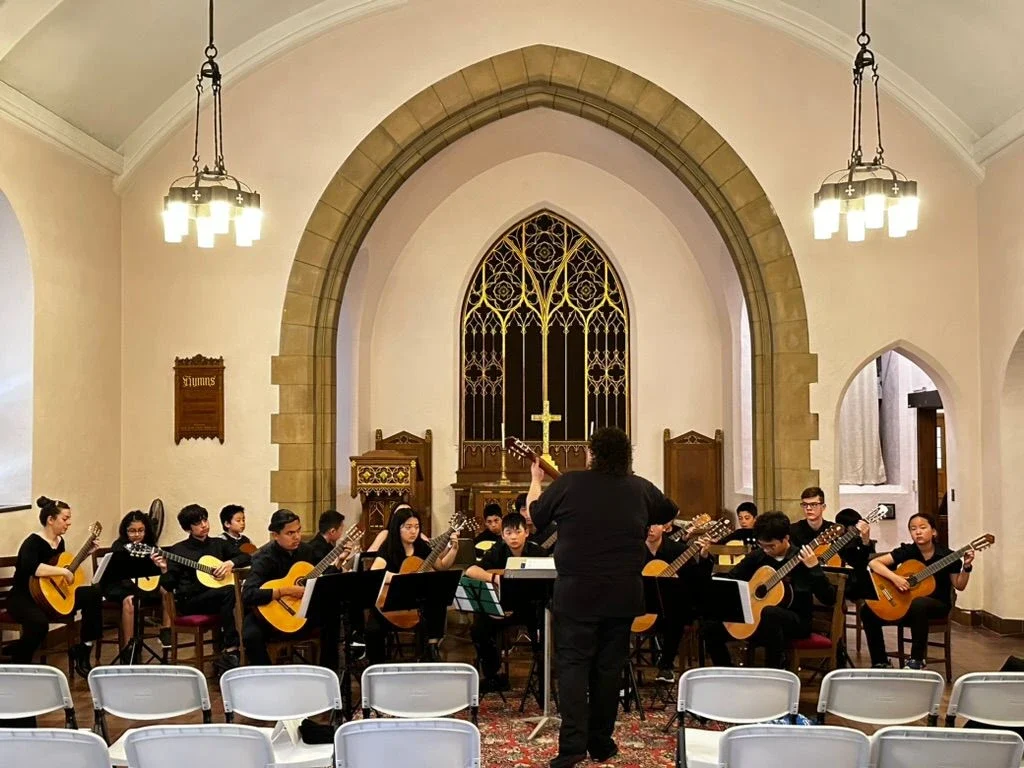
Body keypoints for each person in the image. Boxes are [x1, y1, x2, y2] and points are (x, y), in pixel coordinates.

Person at [527, 426, 677, 768]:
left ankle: (572, 749)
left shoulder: (569, 484)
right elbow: (667, 509)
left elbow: (536, 516)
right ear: (626, 457)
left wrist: (537, 479)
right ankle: (601, 743)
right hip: (622, 595)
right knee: (610, 670)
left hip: (577, 593)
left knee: (574, 668)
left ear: (592, 454)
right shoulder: (639, 488)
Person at [703, 511, 836, 670]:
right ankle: (726, 670)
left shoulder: (802, 559)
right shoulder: (758, 556)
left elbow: (829, 598)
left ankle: (774, 673)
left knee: (769, 613)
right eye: (762, 545)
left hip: (795, 621)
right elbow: (732, 579)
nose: (766, 550)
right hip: (757, 619)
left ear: (786, 538)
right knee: (711, 624)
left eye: (771, 546)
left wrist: (814, 568)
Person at [860, 511, 972, 669]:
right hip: (906, 606)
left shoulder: (948, 556)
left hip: (936, 606)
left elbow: (959, 585)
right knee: (867, 611)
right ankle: (880, 661)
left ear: (933, 531)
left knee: (919, 604)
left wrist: (966, 567)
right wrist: (896, 578)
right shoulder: (908, 551)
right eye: (913, 529)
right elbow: (874, 563)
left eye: (922, 527)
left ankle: (917, 659)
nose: (918, 532)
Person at [7, 496, 104, 676]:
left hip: (51, 596)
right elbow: (33, 568)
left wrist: (84, 555)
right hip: (24, 597)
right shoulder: (33, 542)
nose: (69, 523)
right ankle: (18, 660)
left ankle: (84, 647)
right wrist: (62, 572)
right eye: (65, 519)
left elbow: (62, 568)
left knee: (93, 594)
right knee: (39, 624)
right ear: (50, 520)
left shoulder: (60, 542)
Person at [241, 509, 349, 669]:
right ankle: (268, 682)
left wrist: (339, 562)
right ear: (275, 535)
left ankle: (328, 675)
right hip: (270, 615)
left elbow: (322, 579)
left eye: (298, 531)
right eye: (290, 533)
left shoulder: (306, 551)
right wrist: (284, 591)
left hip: (301, 612)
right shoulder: (263, 557)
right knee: (251, 635)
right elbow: (248, 594)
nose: (297, 537)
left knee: (332, 615)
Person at [464, 511, 546, 693]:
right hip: (501, 608)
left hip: (530, 609)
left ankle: (542, 676)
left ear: (526, 532)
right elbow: (470, 570)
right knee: (478, 629)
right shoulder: (497, 552)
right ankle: (494, 675)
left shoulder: (538, 552)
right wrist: (493, 577)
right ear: (503, 536)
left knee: (544, 624)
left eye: (517, 532)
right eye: (508, 533)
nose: (513, 537)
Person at [160, 503, 247, 670]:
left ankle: (233, 650)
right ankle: (232, 649)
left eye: (205, 520)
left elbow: (247, 556)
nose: (204, 525)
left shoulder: (218, 544)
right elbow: (168, 585)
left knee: (238, 595)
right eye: (198, 523)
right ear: (188, 528)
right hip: (192, 601)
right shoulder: (178, 550)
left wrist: (230, 563)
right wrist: (164, 568)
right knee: (229, 592)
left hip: (218, 598)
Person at [366, 506, 459, 663]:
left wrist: (454, 548)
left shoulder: (421, 547)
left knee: (438, 597)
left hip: (416, 605)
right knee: (373, 629)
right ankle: (376, 667)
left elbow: (442, 566)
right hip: (390, 603)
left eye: (416, 527)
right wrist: (400, 579)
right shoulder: (388, 547)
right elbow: (376, 572)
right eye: (408, 527)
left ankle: (431, 648)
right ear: (398, 528)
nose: (413, 531)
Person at [642, 522, 712, 683]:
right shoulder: (634, 550)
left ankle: (666, 666)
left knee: (676, 613)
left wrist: (704, 556)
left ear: (665, 527)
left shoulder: (678, 551)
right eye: (647, 525)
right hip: (641, 608)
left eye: (655, 525)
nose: (650, 529)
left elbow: (699, 581)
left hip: (671, 611)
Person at [104, 510, 171, 652]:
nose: (137, 535)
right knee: (130, 601)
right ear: (125, 531)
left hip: (145, 584)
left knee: (167, 591)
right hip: (121, 586)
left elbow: (157, 576)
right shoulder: (119, 547)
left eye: (141, 530)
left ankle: (166, 632)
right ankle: (129, 648)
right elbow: (114, 575)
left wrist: (162, 567)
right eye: (132, 531)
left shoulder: (151, 546)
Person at [789, 487, 874, 575]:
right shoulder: (793, 531)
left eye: (813, 504)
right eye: (805, 504)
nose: (808, 508)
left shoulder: (837, 530)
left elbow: (859, 563)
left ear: (823, 507)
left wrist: (865, 541)